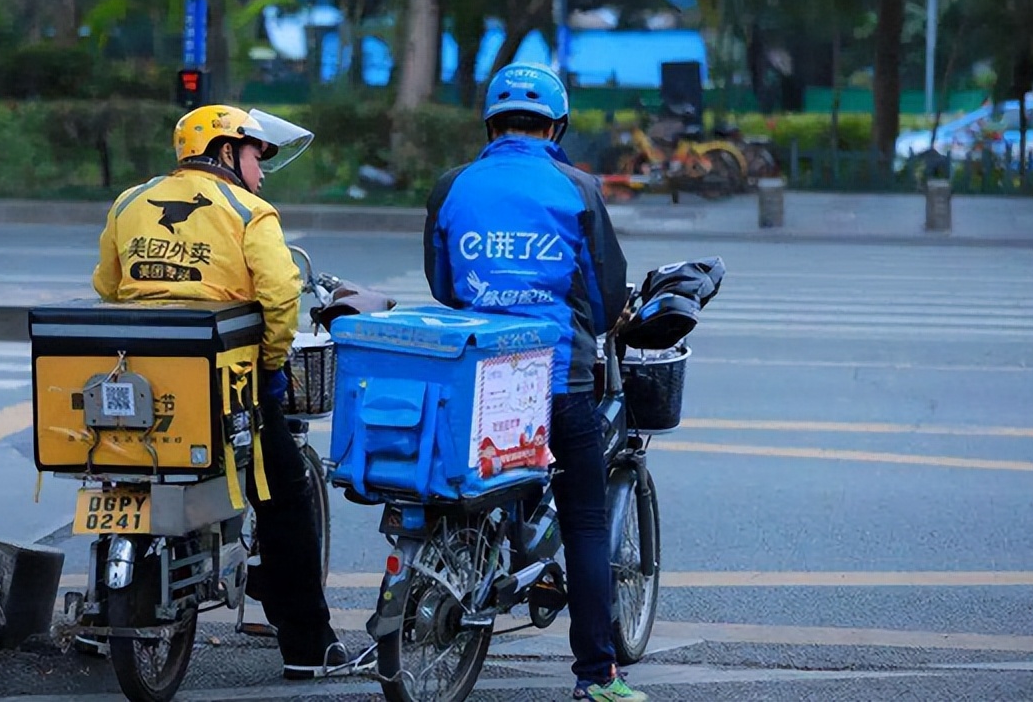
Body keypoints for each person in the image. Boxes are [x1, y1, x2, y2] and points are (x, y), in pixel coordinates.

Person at [92, 104, 359, 680]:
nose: (261, 174)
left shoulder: (130, 201)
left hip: (135, 379)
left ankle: (100, 617)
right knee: (285, 495)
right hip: (224, 384)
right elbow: (280, 296)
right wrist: (270, 363)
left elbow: (107, 285)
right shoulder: (248, 211)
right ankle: (308, 647)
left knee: (123, 467)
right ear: (226, 151)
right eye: (257, 158)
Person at [423, 63, 646, 702]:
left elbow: (444, 284)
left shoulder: (452, 185)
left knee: (465, 488)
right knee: (585, 522)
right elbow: (604, 299)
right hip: (558, 379)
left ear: (490, 123)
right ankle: (596, 674)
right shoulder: (576, 187)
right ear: (557, 126)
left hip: (475, 374)